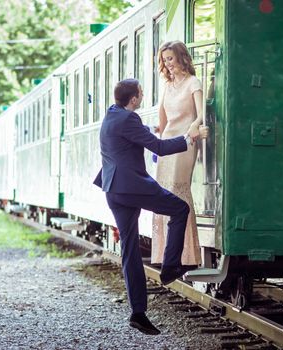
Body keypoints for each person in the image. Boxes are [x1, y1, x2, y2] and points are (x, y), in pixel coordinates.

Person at [93, 79, 208, 335]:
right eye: (141, 94)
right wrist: (191, 137)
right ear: (133, 99)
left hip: (113, 189)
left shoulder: (112, 116)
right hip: (132, 187)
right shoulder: (128, 120)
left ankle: (138, 313)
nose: (142, 96)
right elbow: (159, 147)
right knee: (179, 209)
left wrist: (153, 128)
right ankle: (170, 267)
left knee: (130, 249)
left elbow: (134, 135)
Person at [151, 41, 204, 268]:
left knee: (177, 191)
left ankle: (187, 256)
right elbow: (162, 122)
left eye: (170, 59)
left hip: (185, 143)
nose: (167, 64)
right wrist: (157, 141)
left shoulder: (193, 82)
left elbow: (202, 114)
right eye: (164, 60)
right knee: (163, 192)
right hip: (166, 145)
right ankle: (167, 253)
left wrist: (194, 127)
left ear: (181, 58)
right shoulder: (168, 86)